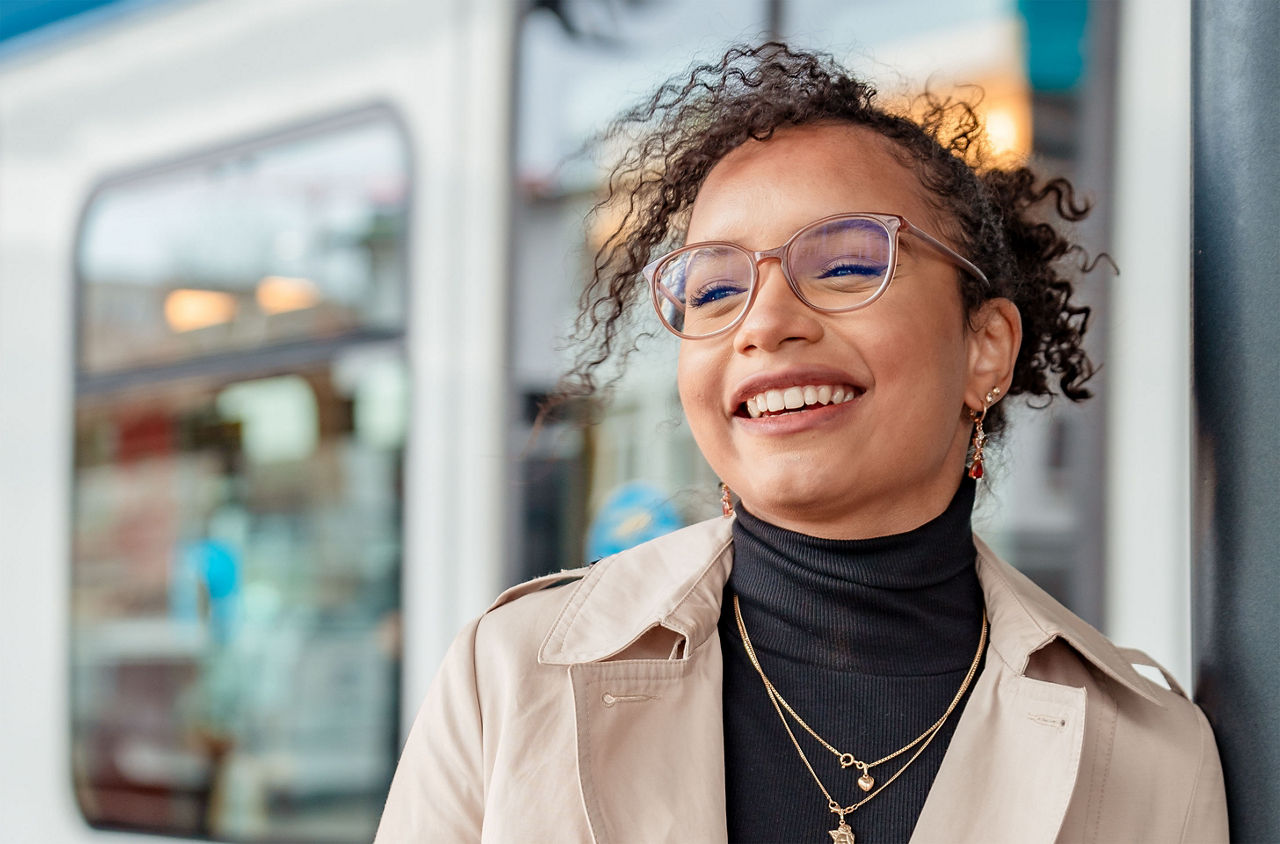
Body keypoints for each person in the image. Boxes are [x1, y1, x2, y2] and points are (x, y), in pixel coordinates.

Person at [376, 43, 1227, 843]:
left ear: (985, 349)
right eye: (713, 288)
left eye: (849, 266)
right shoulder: (511, 674)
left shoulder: (1150, 757)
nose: (766, 323)